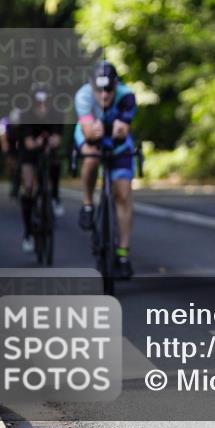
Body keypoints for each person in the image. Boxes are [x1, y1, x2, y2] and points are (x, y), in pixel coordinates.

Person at [74, 61, 138, 280]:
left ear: (116, 85)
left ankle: (122, 254)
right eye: (99, 90)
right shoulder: (83, 96)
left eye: (109, 89)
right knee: (91, 158)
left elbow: (124, 130)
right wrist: (93, 133)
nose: (104, 95)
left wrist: (118, 130)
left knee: (122, 194)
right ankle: (88, 203)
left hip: (119, 144)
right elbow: (88, 132)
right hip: (91, 139)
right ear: (91, 86)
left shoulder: (127, 96)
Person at [15, 85, 65, 253]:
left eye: (45, 101)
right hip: (29, 153)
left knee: (56, 163)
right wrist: (39, 142)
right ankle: (28, 232)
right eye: (39, 102)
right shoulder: (26, 114)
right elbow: (29, 143)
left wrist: (51, 142)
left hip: (48, 151)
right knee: (28, 186)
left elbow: (58, 138)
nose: (42, 105)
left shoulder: (57, 113)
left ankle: (55, 196)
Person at [0, 108, 22, 199]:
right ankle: (13, 181)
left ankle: (17, 184)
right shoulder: (4, 122)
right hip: (9, 145)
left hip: (18, 145)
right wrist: (5, 146)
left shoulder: (22, 123)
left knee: (19, 166)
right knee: (11, 164)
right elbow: (2, 136)